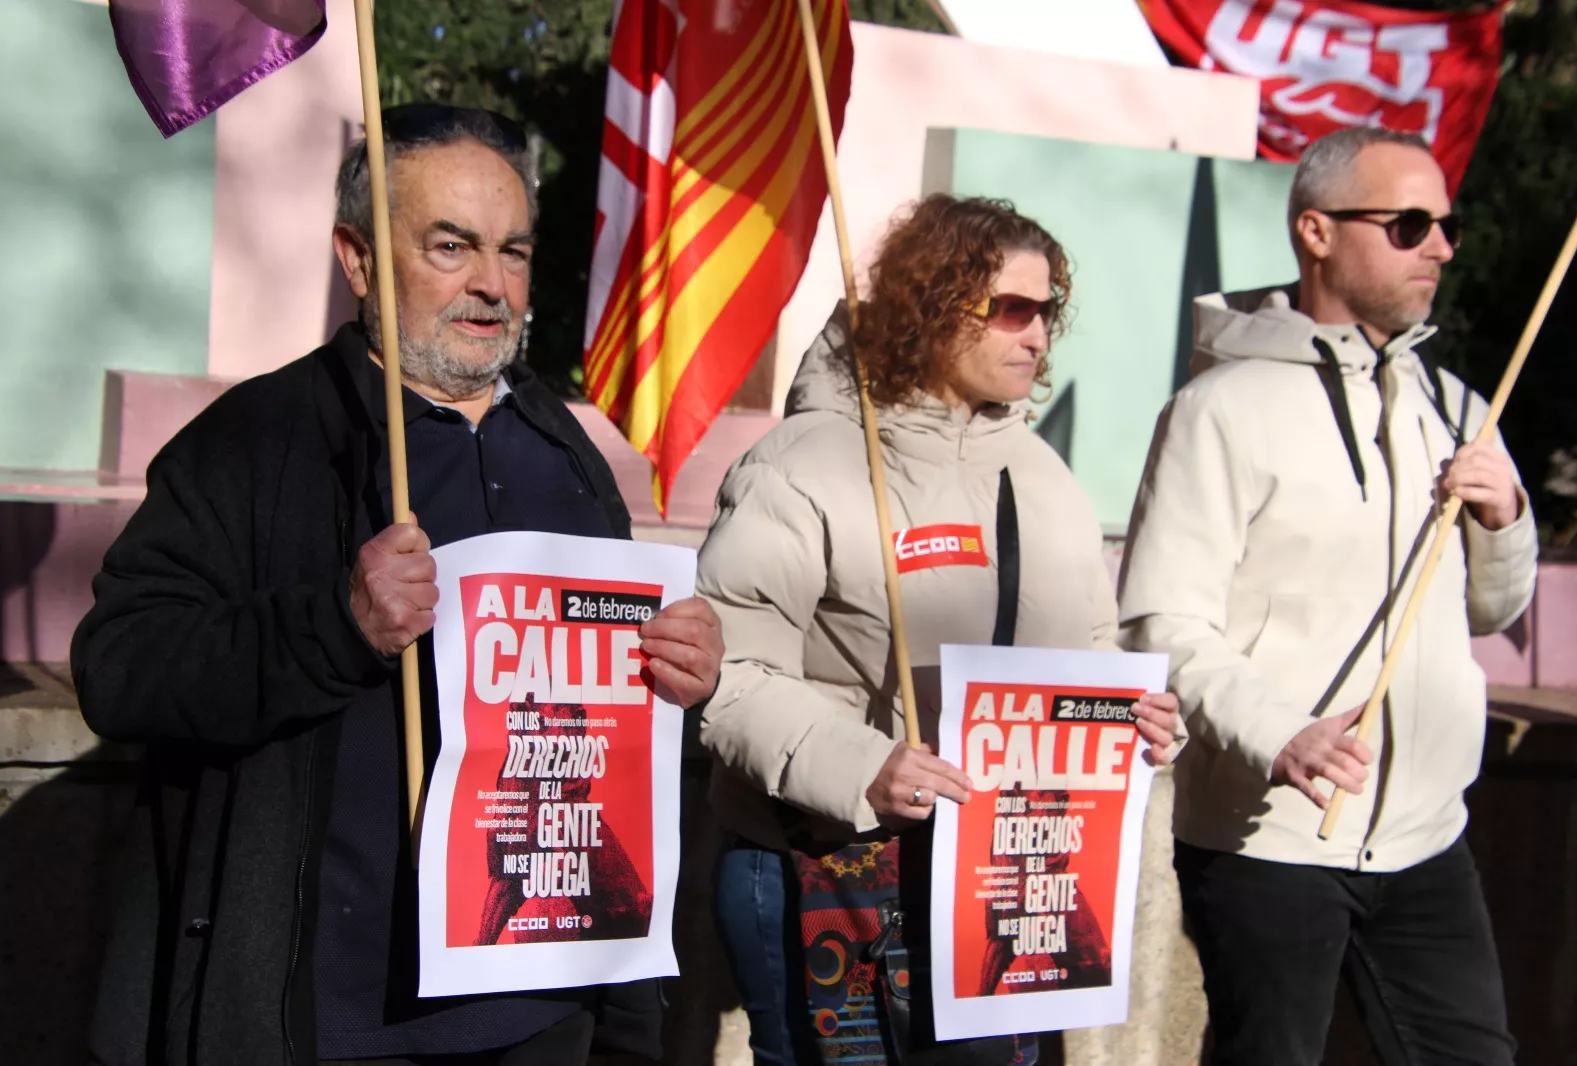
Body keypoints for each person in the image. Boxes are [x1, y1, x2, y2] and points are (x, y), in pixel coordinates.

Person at [70, 103, 724, 1066]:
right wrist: (336, 626)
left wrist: (686, 680)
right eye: (451, 247)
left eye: (513, 250)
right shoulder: (259, 441)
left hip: (542, 1008)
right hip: (327, 1017)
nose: (491, 286)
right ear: (360, 258)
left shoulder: (566, 454)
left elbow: (612, 730)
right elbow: (119, 669)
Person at [694, 194, 1182, 1065]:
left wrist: (1135, 717)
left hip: (998, 879)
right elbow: (727, 675)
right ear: (931, 305)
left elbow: (1089, 656)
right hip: (824, 864)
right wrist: (863, 765)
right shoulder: (804, 461)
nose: (1038, 336)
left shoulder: (1045, 477)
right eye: (1012, 310)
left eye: (1049, 311)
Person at [1117, 127, 1537, 1066]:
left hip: (1429, 832)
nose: (1440, 246)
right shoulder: (1219, 408)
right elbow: (1163, 620)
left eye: (1449, 226)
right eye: (1411, 223)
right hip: (1268, 841)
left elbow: (1487, 613)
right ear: (1316, 231)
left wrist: (1504, 519)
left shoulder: (1459, 405)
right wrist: (1280, 733)